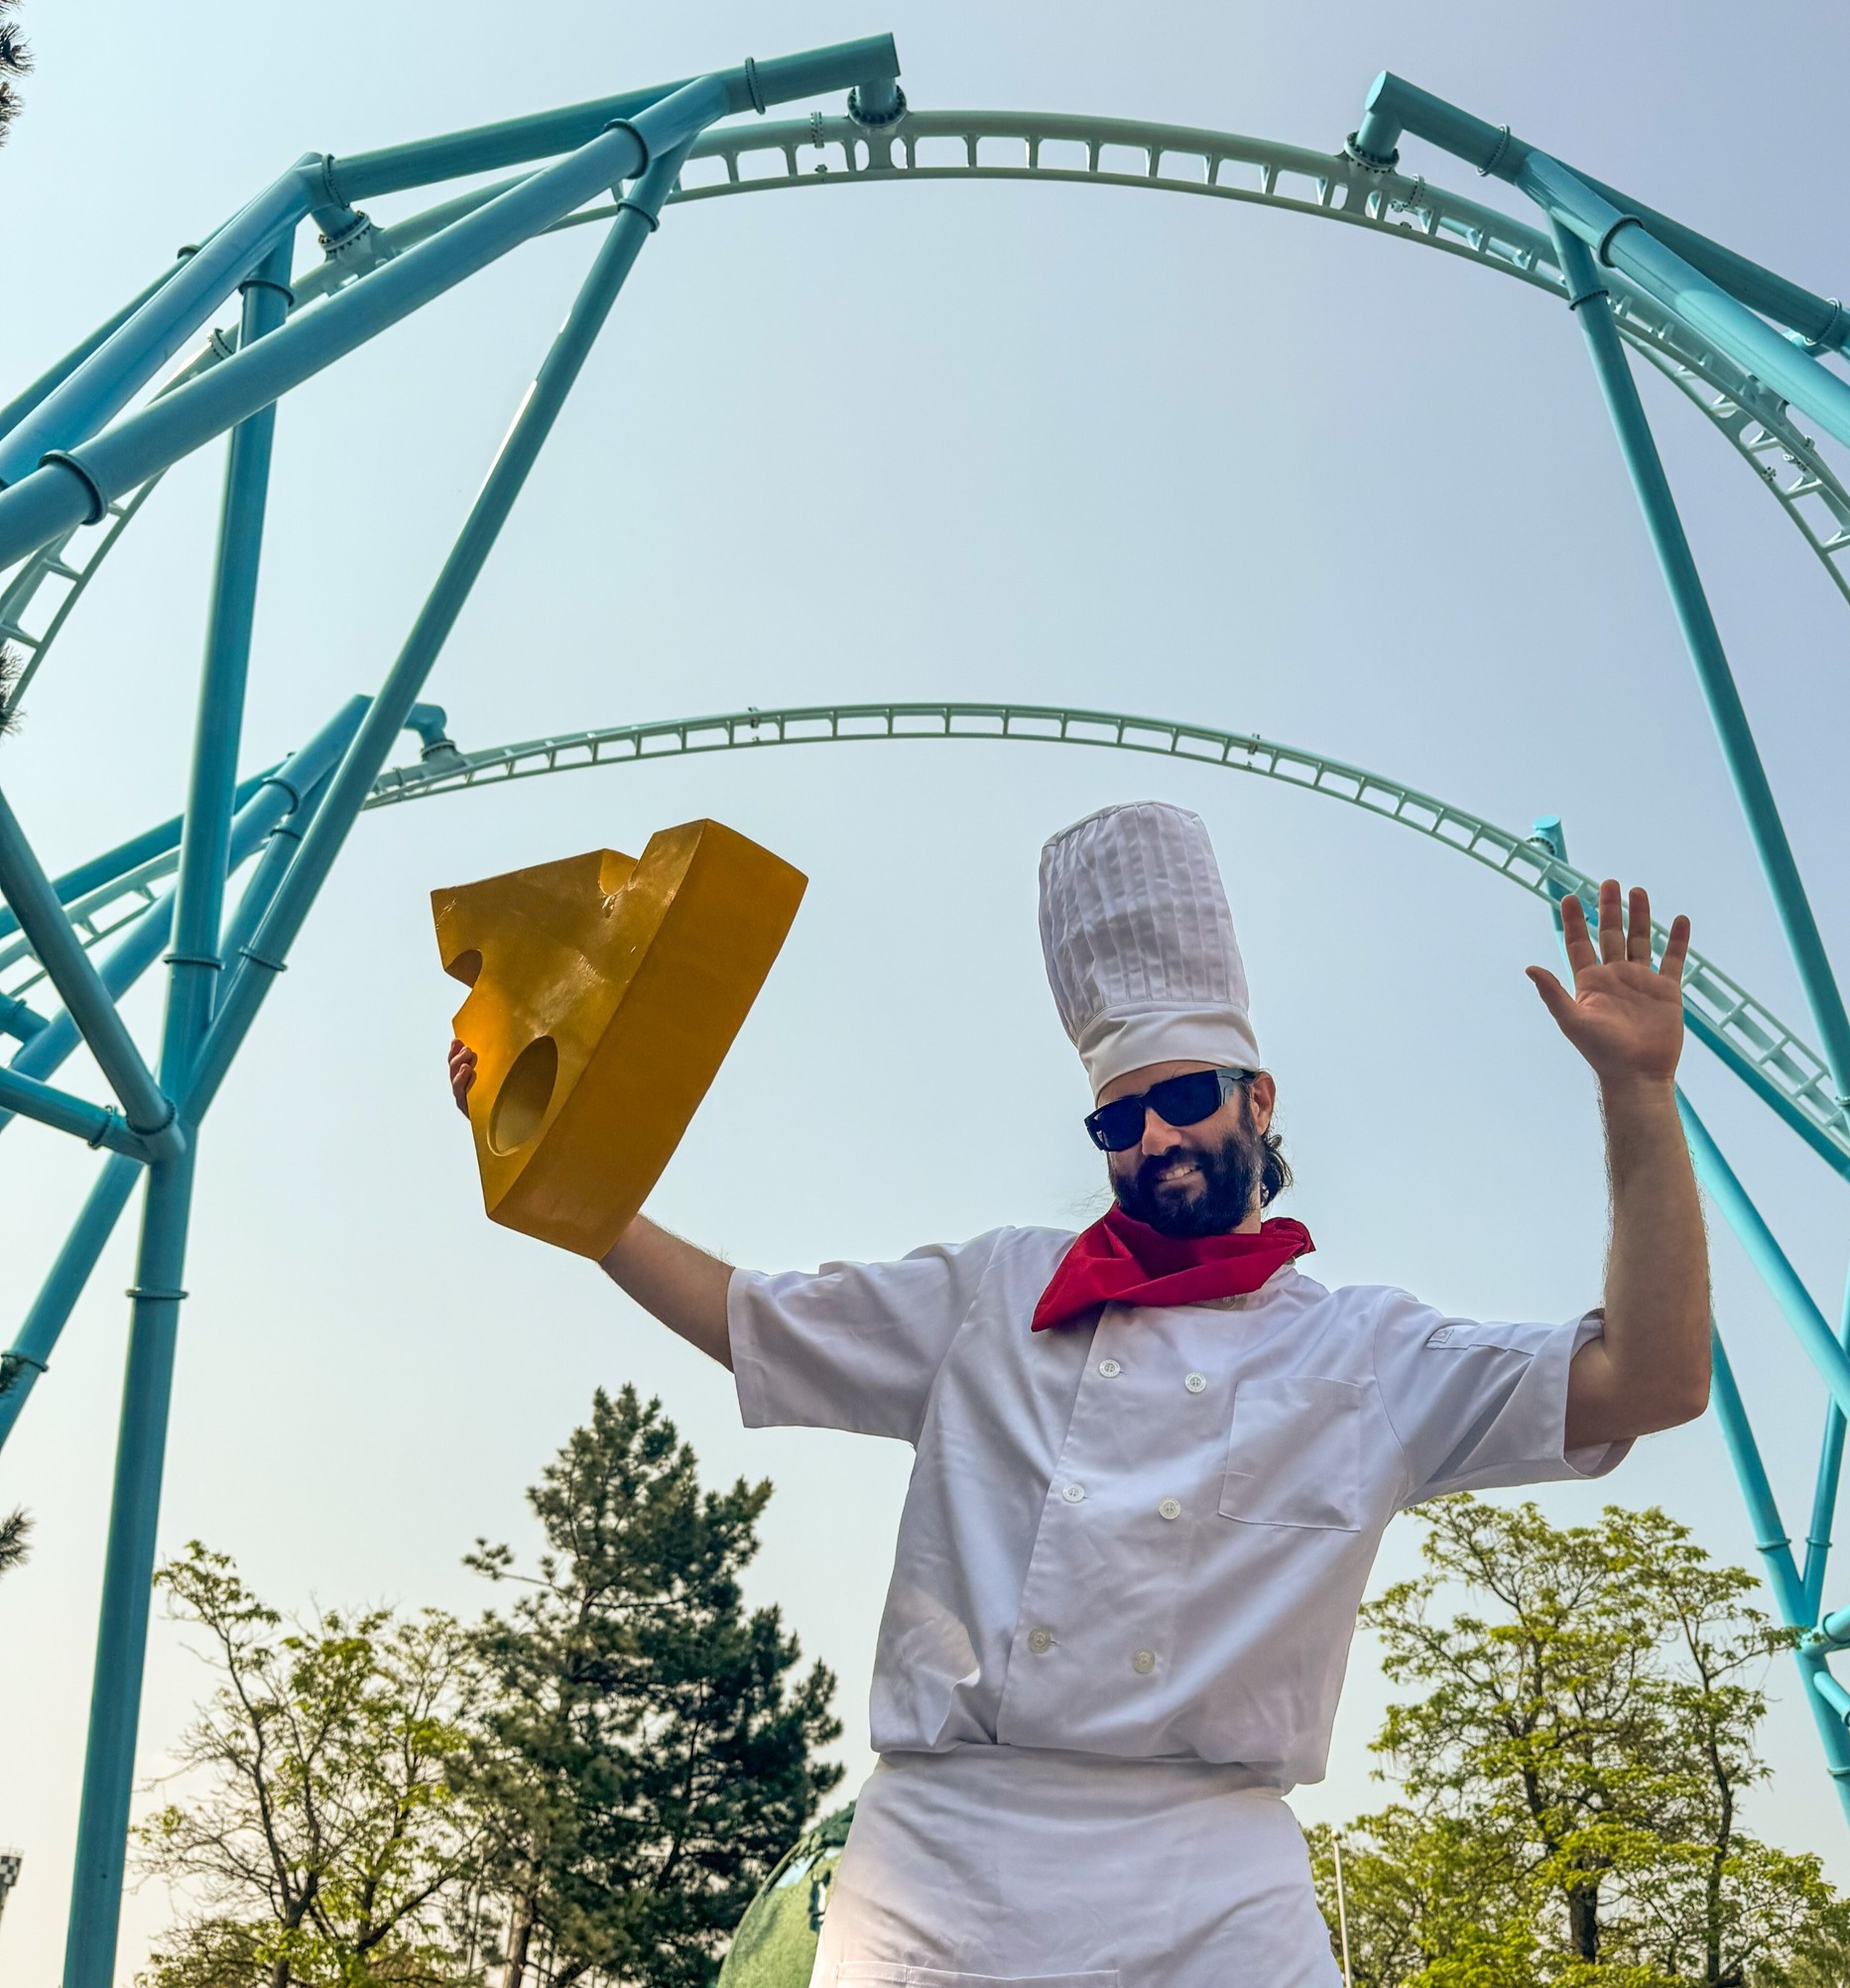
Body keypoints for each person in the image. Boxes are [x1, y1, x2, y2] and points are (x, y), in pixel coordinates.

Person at [446, 800, 1709, 1988]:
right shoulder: (995, 1290)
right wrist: (572, 1177)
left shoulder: (1368, 1355)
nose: (1152, 1137)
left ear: (1257, 1099)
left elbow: (1647, 1379)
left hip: (1214, 1881)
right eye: (1117, 1120)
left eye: (1181, 1100)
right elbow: (745, 1316)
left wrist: (1636, 1094)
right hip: (941, 1866)